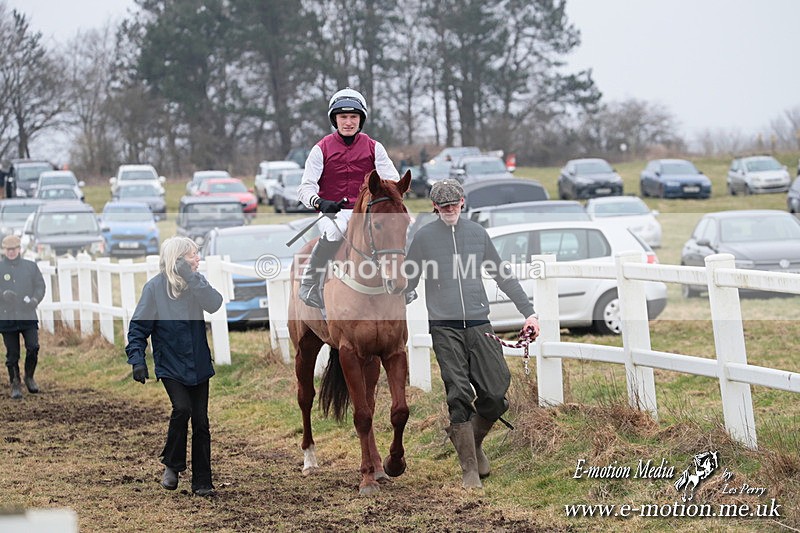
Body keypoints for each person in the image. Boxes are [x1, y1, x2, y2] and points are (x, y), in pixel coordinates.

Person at [404, 179, 540, 490]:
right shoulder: (424, 237)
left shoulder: (477, 234)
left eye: (454, 203)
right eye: (444, 205)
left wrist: (529, 313)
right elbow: (408, 280)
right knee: (459, 394)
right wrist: (397, 289)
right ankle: (469, 471)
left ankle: (471, 442)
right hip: (445, 327)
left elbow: (502, 275)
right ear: (435, 206)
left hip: (479, 324)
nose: (450, 209)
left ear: (463, 202)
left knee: (496, 391)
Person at [125, 236, 223, 497]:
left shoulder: (196, 283)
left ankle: (202, 482)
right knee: (182, 409)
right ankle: (172, 464)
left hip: (199, 363)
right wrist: (137, 359)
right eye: (192, 255)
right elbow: (138, 328)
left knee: (201, 422)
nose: (197, 258)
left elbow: (214, 304)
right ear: (177, 260)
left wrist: (191, 278)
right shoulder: (154, 288)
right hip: (170, 364)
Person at [296, 87, 399, 308]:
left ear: (361, 119)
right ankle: (309, 281)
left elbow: (393, 180)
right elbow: (305, 188)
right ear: (335, 119)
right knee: (335, 231)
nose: (349, 122)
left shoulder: (374, 147)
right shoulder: (320, 149)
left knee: (393, 228)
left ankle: (403, 282)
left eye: (353, 117)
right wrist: (320, 202)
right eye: (343, 117)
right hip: (334, 213)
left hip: (366, 211)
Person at [0, 235, 45, 399]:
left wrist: (35, 299)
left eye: (14, 249)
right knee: (12, 354)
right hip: (7, 318)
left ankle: (29, 376)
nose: (11, 252)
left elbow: (40, 286)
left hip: (27, 315)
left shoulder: (30, 267)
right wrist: (3, 295)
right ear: (4, 250)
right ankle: (15, 382)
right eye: (8, 250)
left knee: (33, 347)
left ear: (19, 249)